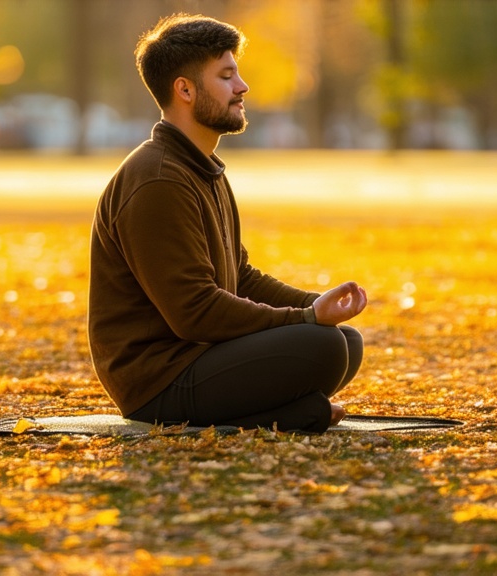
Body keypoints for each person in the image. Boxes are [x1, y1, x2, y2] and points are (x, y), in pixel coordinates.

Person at [87, 13, 367, 433]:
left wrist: (314, 305)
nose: (242, 88)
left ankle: (286, 412)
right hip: (158, 382)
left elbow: (241, 277)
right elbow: (195, 313)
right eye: (226, 76)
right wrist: (306, 321)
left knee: (345, 341)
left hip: (197, 357)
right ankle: (290, 414)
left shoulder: (200, 168)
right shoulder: (158, 179)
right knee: (323, 345)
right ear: (184, 89)